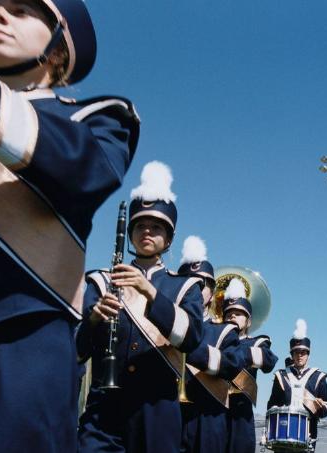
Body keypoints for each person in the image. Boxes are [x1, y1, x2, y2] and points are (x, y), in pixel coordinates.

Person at [0, 0, 138, 450]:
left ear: (60, 43)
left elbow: (82, 169)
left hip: (22, 363)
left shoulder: (99, 118)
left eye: (21, 8)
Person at [77, 162, 205, 452]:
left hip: (156, 409)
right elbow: (75, 349)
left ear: (169, 238)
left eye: (157, 226)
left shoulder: (185, 288)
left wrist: (148, 291)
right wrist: (94, 319)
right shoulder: (101, 281)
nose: (147, 231)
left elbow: (192, 338)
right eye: (141, 225)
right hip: (103, 408)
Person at [179, 243, 246, 453]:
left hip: (208, 421)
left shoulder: (224, 332)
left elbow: (232, 365)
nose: (195, 290)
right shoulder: (159, 325)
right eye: (188, 283)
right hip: (169, 417)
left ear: (212, 290)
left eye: (202, 284)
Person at [222, 278, 278, 453]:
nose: (232, 316)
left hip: (241, 414)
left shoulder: (257, 342)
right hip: (216, 411)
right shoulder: (215, 342)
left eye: (238, 313)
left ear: (248, 321)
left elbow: (268, 361)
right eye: (228, 313)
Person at [267, 319, 327, 451]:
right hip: (282, 434)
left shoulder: (318, 377)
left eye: (303, 352)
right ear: (292, 354)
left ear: (308, 354)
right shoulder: (281, 376)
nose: (300, 355)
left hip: (308, 435)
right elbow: (271, 404)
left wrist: (319, 407)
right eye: (296, 352)